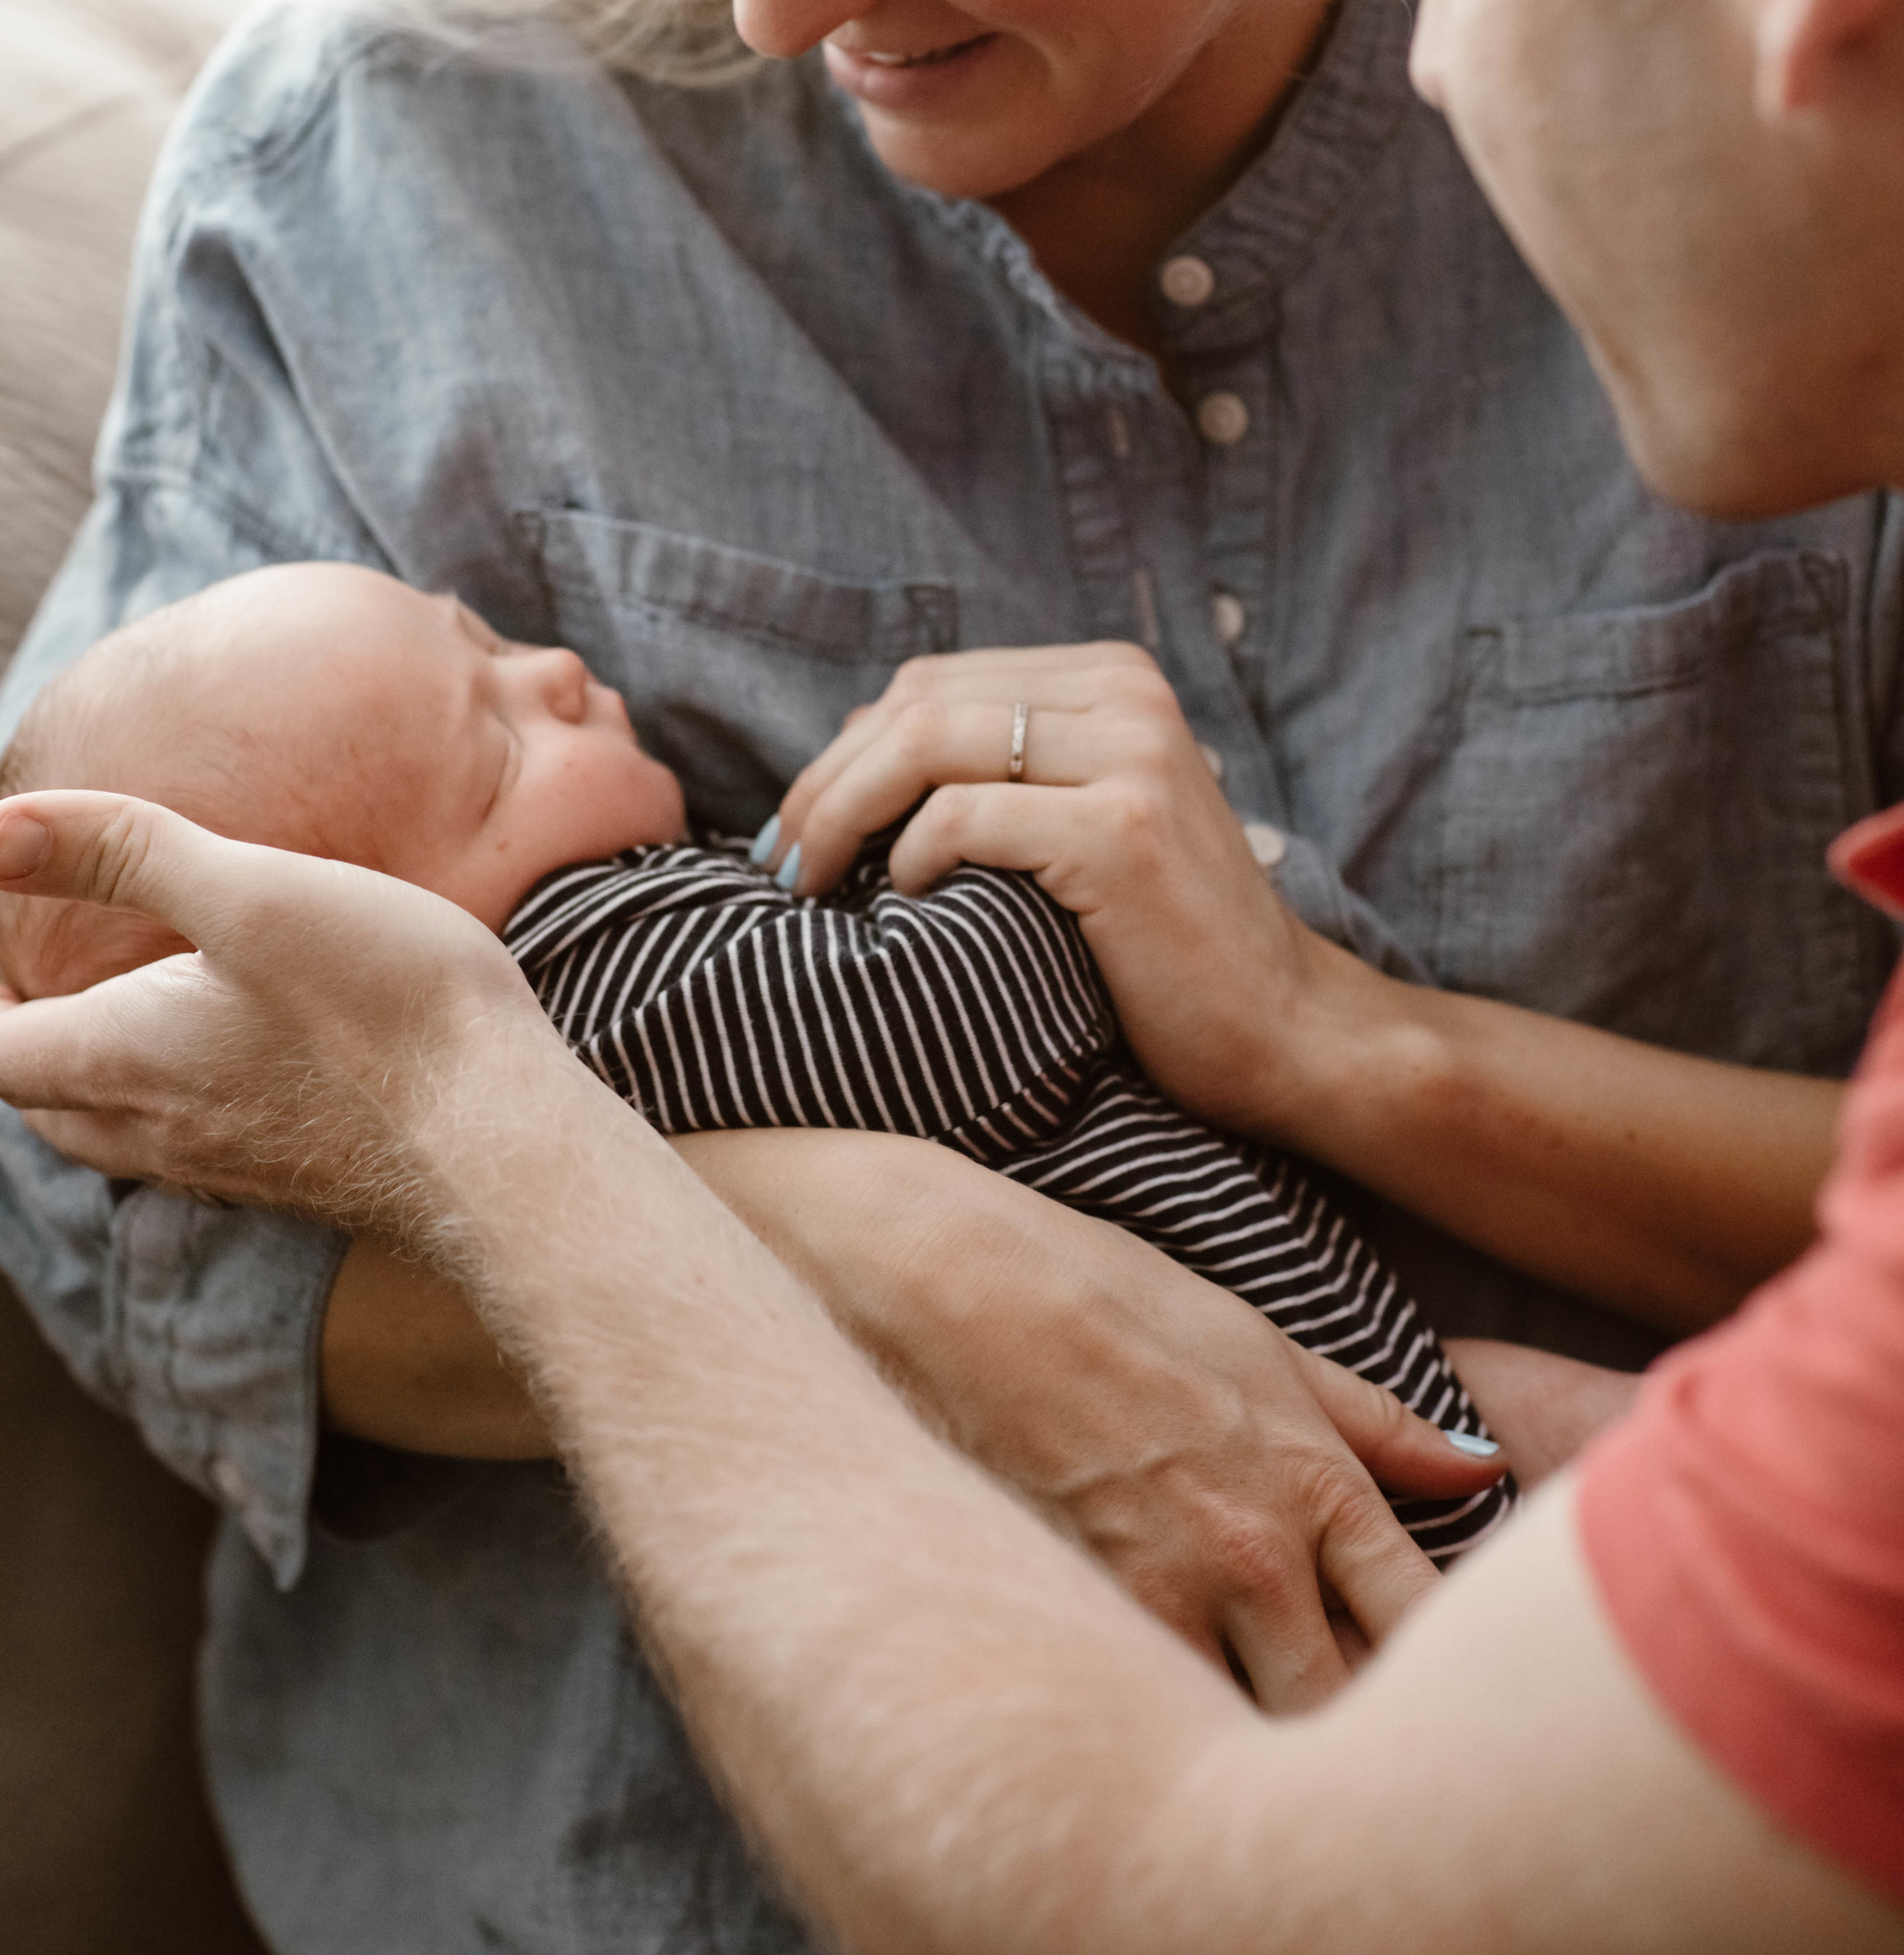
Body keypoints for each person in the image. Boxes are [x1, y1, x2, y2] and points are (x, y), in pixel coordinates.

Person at [2, 0, 1899, 1944]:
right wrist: (853, 1253)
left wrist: (1338, 1047)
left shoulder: (1717, 139)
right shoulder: (409, 164)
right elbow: (110, 1173)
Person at [0, 560, 1526, 1541]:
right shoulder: (597, 972)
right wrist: (1012, 870)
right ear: (390, 940)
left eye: (485, 640)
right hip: (1268, 1460)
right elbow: (943, 1037)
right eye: (498, 749)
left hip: (1298, 1381)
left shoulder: (595, 951)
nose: (558, 672)